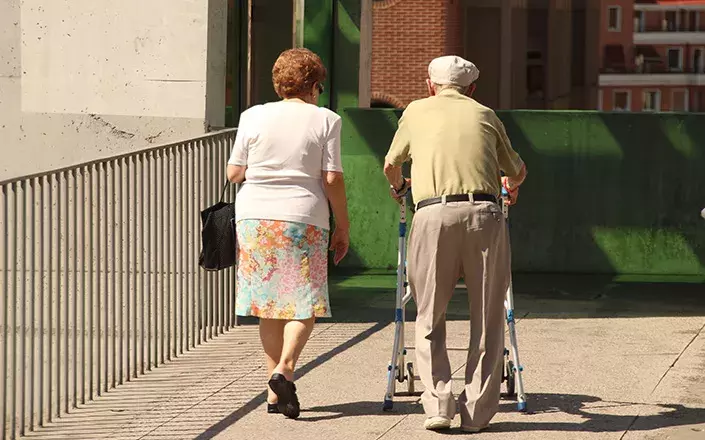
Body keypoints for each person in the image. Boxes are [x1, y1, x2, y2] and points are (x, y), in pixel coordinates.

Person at [383, 55, 527, 432]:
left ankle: (439, 404)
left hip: (432, 216)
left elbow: (390, 164)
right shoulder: (485, 114)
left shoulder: (414, 112)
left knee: (429, 313)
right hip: (484, 215)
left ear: (430, 85)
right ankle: (476, 412)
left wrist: (399, 187)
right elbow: (516, 170)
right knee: (487, 316)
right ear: (472, 89)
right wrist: (511, 187)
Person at [226, 48, 350, 419]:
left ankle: (274, 394)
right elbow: (332, 178)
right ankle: (285, 370)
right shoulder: (326, 119)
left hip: (255, 217)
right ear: (313, 85)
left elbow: (234, 173)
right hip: (302, 218)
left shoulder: (253, 116)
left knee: (268, 303)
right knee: (304, 300)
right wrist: (342, 226)